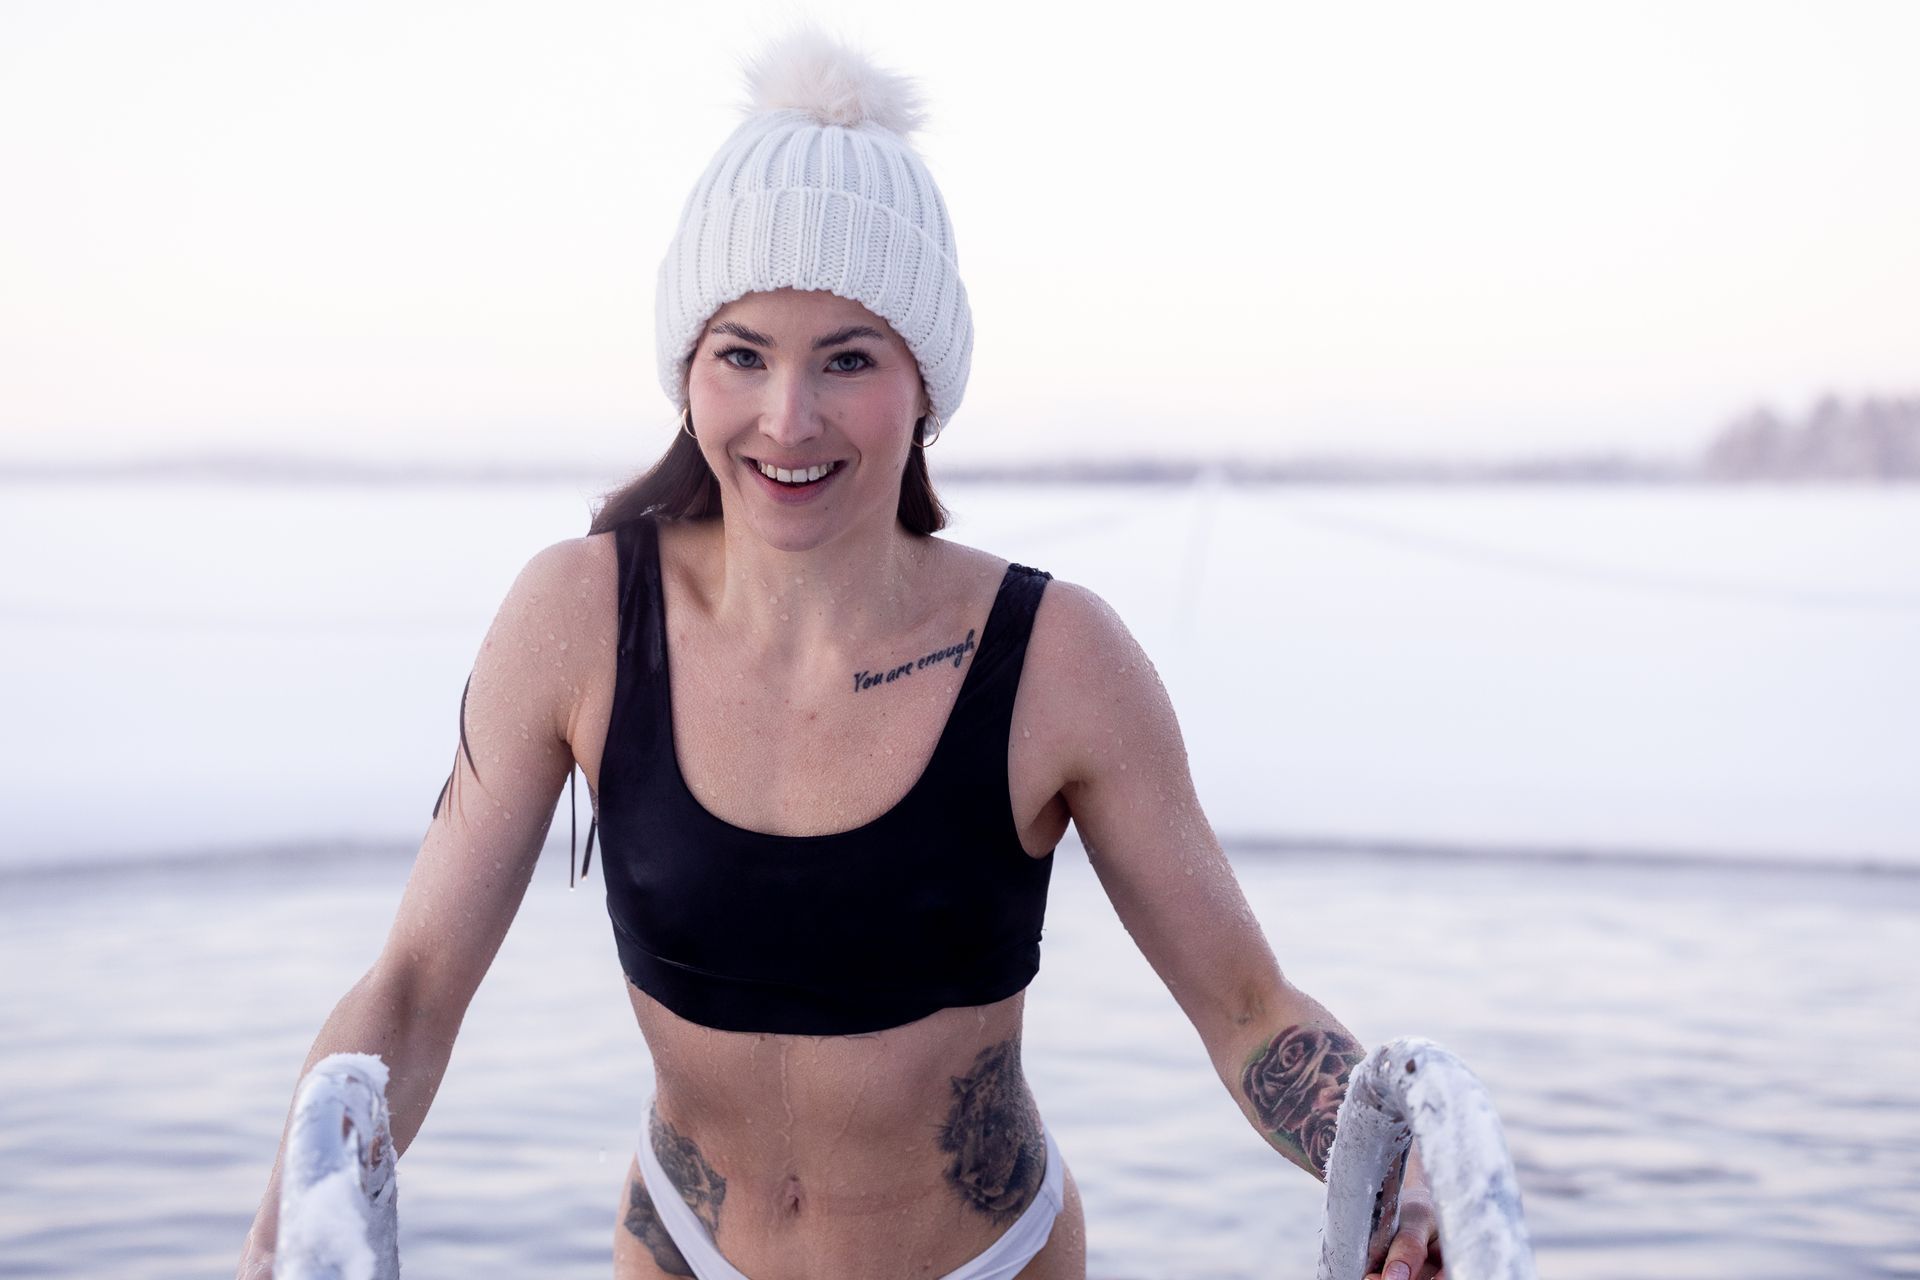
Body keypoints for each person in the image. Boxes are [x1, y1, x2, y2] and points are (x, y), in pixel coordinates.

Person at [238, 28, 1445, 1280]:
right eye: (742, 355)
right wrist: (285, 1224)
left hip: (986, 1258)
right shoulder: (580, 619)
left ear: (924, 384)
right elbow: (415, 993)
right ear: (688, 371)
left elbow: (1249, 1009)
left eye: (848, 360)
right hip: (683, 1246)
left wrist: (1393, 1165)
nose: (788, 419)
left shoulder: (1056, 657)